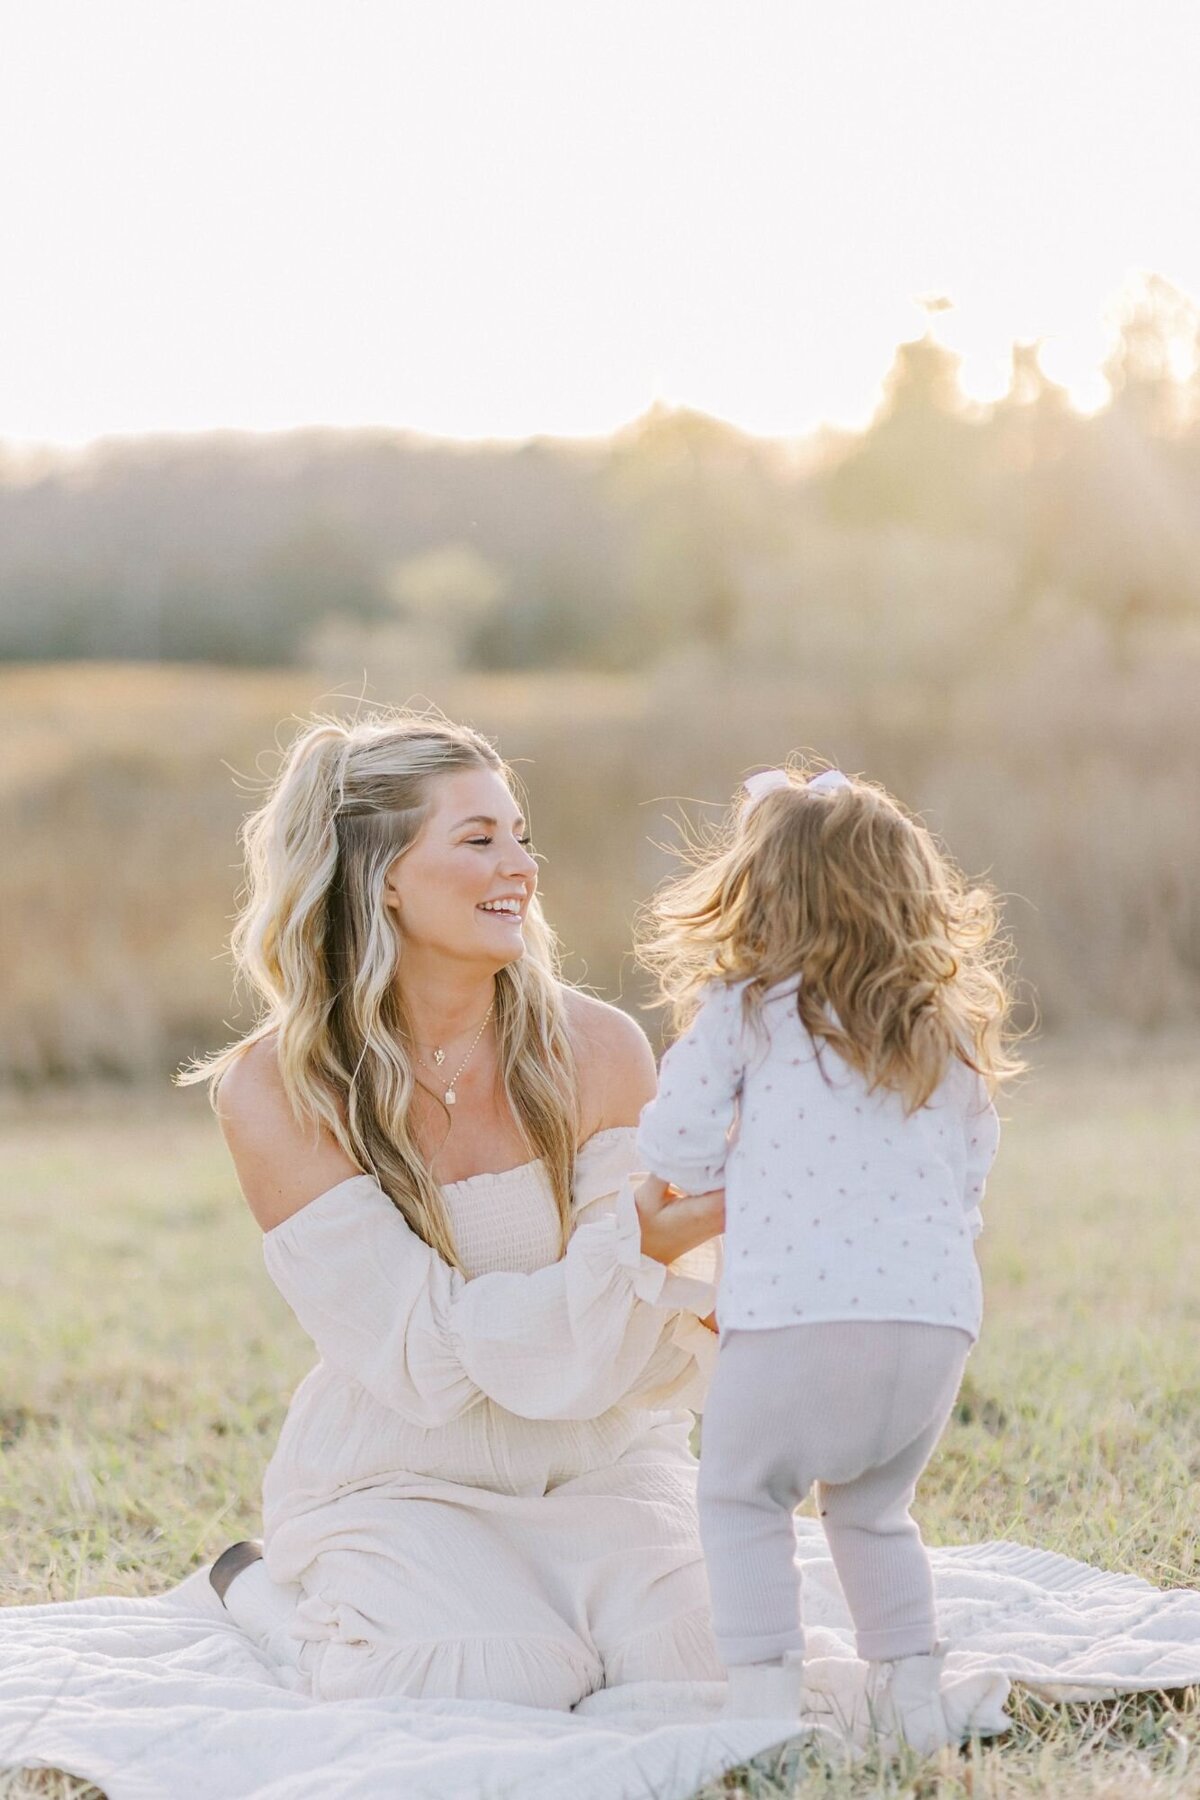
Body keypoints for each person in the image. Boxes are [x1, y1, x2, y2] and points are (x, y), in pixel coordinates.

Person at [179, 708, 727, 1709]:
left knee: (709, 1666)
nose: (520, 864)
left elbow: (650, 1319)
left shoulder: (599, 1049)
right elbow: (423, 1361)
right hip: (405, 1476)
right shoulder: (279, 1088)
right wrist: (634, 1256)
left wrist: (690, 1264)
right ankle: (266, 1602)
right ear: (380, 874)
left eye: (521, 835)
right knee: (479, 1678)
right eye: (478, 839)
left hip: (601, 1463)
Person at [633, 764, 1023, 1748]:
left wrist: (737, 1174)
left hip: (799, 1319)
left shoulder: (749, 1006)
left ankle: (765, 1702)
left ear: (762, 894)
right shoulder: (943, 1029)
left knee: (740, 1493)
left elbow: (673, 1143)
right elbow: (973, 1163)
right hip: (933, 1326)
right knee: (875, 1514)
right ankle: (914, 1702)